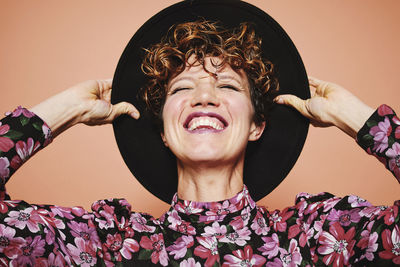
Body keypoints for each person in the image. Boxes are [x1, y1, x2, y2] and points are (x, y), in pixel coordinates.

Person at [1, 1, 399, 267]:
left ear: (257, 125)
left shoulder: (315, 236)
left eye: (227, 86)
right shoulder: (108, 241)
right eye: (182, 88)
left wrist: (364, 122)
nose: (204, 96)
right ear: (162, 131)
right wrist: (64, 110)